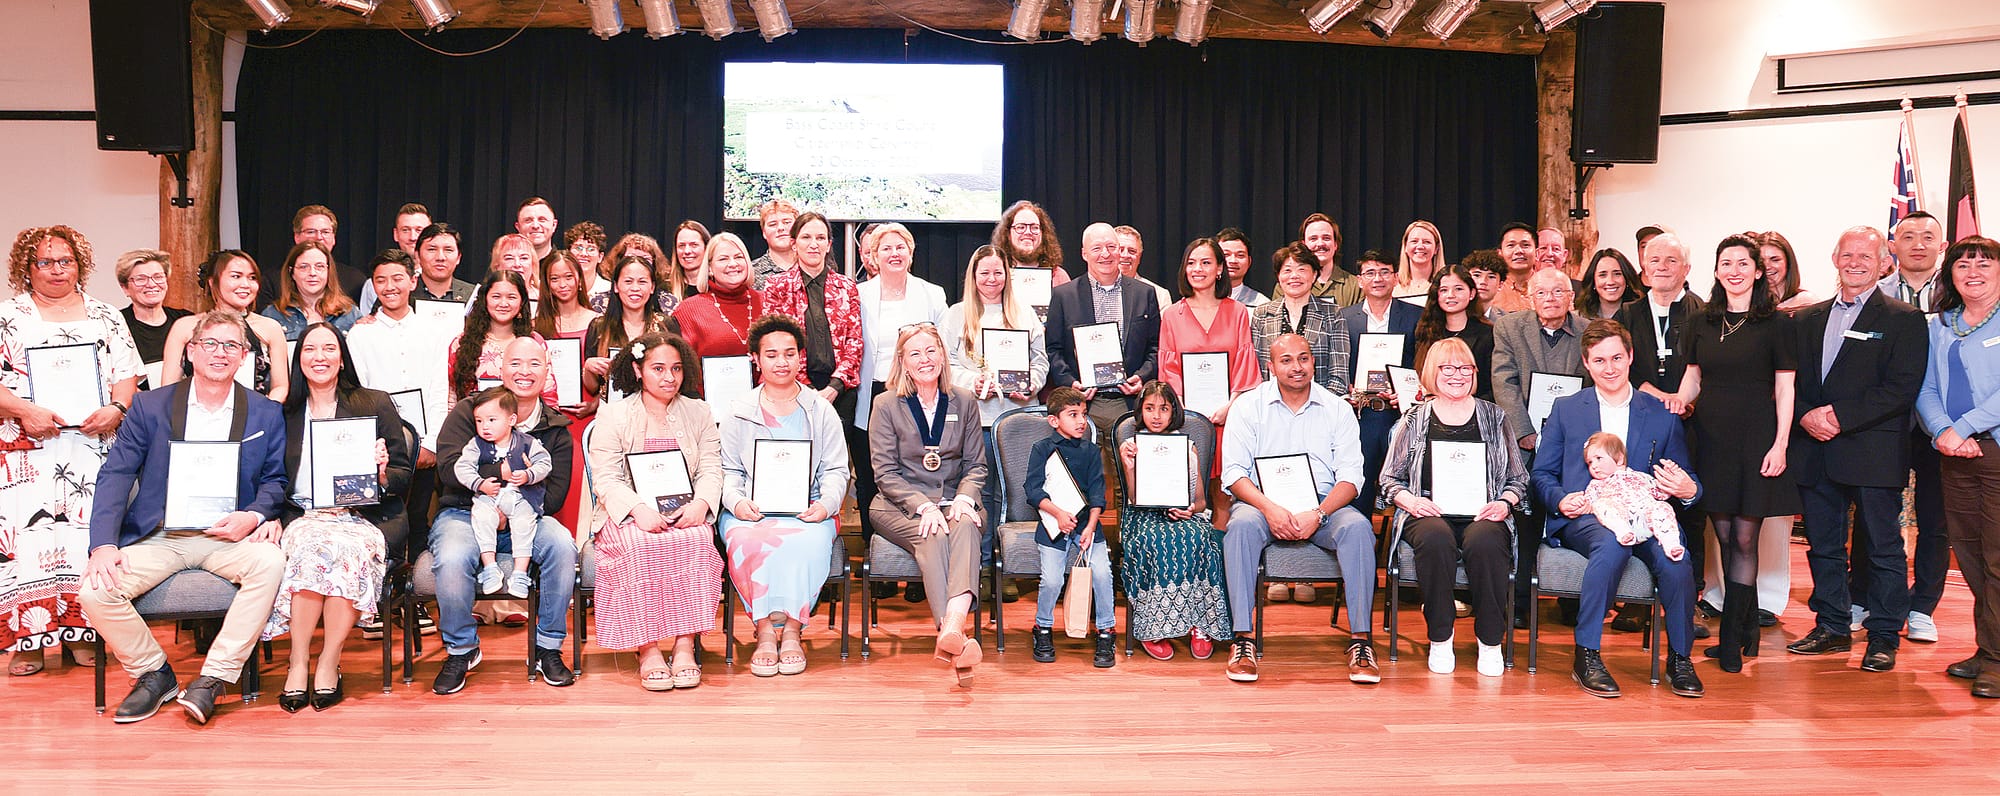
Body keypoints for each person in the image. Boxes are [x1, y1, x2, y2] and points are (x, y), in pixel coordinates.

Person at [77, 311, 288, 724]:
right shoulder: (151, 406)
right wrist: (102, 544)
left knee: (271, 563)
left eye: (231, 345)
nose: (220, 353)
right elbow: (117, 473)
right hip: (160, 535)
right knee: (95, 591)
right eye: (210, 343)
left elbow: (275, 480)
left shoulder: (264, 412)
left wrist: (254, 515)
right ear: (191, 351)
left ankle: (213, 678)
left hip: (228, 536)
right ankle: (154, 674)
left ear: (244, 357)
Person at [1531, 319, 1705, 699]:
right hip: (1588, 514)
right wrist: (1561, 500)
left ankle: (1679, 657)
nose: (1609, 368)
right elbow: (1541, 474)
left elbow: (1686, 474)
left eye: (1616, 358)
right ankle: (1587, 653)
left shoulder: (1659, 413)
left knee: (1676, 559)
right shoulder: (1566, 409)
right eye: (1599, 360)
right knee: (1612, 545)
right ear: (1586, 363)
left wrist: (1689, 489)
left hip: (1644, 512)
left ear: (1630, 357)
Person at [1788, 225, 1928, 670]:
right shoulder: (1808, 318)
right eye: (1847, 255)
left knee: (1883, 549)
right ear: (1834, 258)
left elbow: (1902, 388)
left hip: (1873, 451)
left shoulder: (1903, 319)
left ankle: (1884, 634)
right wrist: (1808, 414)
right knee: (1824, 546)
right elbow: (1794, 381)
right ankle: (1831, 626)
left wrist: (1839, 417)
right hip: (1816, 450)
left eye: (1865, 257)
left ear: (1883, 263)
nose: (1855, 263)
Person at [1, 226, 138, 676]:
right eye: (45, 261)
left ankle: (87, 635)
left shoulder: (105, 316)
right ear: (28, 266)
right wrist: (24, 409)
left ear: (80, 265)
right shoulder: (9, 316)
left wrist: (117, 408)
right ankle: (29, 642)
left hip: (92, 446)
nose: (57, 269)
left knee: (86, 537)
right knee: (30, 539)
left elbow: (127, 374)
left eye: (66, 261)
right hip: (28, 448)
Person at [1670, 234, 1800, 674]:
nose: (1734, 270)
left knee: (1745, 537)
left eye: (1744, 263)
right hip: (1709, 438)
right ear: (1717, 270)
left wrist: (1781, 443)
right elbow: (1693, 378)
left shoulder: (1777, 323)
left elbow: (1786, 387)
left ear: (1758, 271)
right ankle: (1745, 633)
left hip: (1757, 439)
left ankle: (1731, 643)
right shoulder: (1702, 321)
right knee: (1723, 535)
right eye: (1726, 263)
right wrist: (1677, 402)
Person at [262, 322, 408, 712]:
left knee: (345, 549)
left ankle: (328, 662)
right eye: (310, 350)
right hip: (304, 515)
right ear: (299, 359)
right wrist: (271, 515)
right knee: (311, 548)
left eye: (329, 349)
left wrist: (380, 473)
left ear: (342, 359)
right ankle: (297, 661)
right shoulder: (283, 413)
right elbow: (267, 475)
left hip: (362, 517)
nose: (320, 357)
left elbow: (404, 475)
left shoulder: (374, 403)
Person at [1218, 334, 1377, 684]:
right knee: (1240, 526)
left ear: (1313, 362)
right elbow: (1233, 474)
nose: (1296, 367)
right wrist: (1270, 509)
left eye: (1303, 358)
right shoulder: (1249, 406)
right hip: (1261, 504)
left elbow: (1352, 476)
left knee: (1359, 527)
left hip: (1323, 507)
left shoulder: (1337, 408)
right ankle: (1242, 638)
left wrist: (1318, 514)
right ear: (1271, 366)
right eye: (1286, 360)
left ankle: (1361, 641)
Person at [429, 336, 577, 694]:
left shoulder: (556, 428)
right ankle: (461, 649)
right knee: (450, 557)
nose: (524, 372)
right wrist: (492, 493)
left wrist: (509, 509)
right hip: (465, 514)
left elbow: (554, 495)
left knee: (562, 546)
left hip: (527, 517)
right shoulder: (471, 410)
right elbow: (447, 470)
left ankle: (548, 648)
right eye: (515, 363)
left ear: (547, 371)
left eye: (534, 364)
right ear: (500, 367)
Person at [1377, 337, 1524, 677]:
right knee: (1436, 538)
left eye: (1464, 368)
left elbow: (1519, 478)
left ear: (1474, 372)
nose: (1456, 375)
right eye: (1447, 367)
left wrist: (1504, 502)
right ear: (1432, 372)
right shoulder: (1415, 418)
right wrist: (1410, 501)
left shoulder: (1495, 416)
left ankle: (1490, 642)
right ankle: (1441, 638)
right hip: (1426, 510)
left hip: (1483, 511)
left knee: (1486, 540)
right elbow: (1388, 479)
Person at [587, 332, 726, 691]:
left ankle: (683, 645)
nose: (669, 378)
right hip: (630, 515)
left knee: (697, 540)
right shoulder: (614, 414)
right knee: (638, 545)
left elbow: (712, 466)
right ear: (637, 370)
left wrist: (701, 504)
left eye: (676, 369)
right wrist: (637, 509)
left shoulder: (699, 411)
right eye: (659, 368)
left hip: (685, 511)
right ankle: (647, 648)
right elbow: (606, 476)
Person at [719, 316, 848, 679]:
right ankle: (763, 632)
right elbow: (728, 471)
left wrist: (825, 505)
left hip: (808, 507)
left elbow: (837, 470)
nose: (781, 362)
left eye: (789, 353)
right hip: (751, 510)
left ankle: (792, 630)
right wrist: (737, 502)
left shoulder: (820, 409)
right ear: (756, 359)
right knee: (746, 540)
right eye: (771, 354)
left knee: (806, 542)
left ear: (800, 358)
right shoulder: (738, 410)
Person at [867, 324, 988, 686]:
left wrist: (965, 497)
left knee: (966, 524)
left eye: (931, 351)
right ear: (902, 362)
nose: (925, 359)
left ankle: (951, 633)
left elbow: (976, 465)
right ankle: (956, 633)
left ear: (942, 355)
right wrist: (923, 505)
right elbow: (885, 472)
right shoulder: (886, 404)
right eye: (915, 353)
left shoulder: (964, 400)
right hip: (897, 504)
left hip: (954, 498)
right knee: (933, 534)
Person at [345, 248, 450, 638]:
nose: (390, 287)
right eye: (381, 280)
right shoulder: (361, 333)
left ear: (413, 280)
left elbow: (440, 387)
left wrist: (432, 442)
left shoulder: (436, 331)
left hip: (425, 440)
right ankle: (375, 601)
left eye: (397, 278)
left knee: (420, 518)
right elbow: (360, 393)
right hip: (380, 443)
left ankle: (414, 599)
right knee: (380, 518)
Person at [1915, 235, 2000, 697]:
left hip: (1994, 452)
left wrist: (1961, 428)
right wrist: (1943, 432)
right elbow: (1925, 388)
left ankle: (1998, 657)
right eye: (1963, 265)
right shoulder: (1941, 325)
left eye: (1984, 264)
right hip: (1955, 455)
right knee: (1969, 557)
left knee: (1998, 558)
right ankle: (1988, 648)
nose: (1973, 272)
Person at [941, 244, 1046, 600]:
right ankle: (983, 567)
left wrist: (1033, 380)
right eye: (984, 272)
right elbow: (947, 366)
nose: (991, 279)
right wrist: (973, 383)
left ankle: (1011, 566)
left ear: (1007, 275)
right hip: (977, 420)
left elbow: (1041, 361)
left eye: (998, 272)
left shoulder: (1025, 314)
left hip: (1017, 419)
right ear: (973, 276)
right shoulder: (956, 315)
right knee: (980, 495)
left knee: (1015, 494)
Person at [1616, 231, 1708, 623]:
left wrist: (1685, 401)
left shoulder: (1704, 312)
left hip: (1693, 423)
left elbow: (1709, 363)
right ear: (1643, 269)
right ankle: (1638, 602)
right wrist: (1659, 396)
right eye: (1655, 260)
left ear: (1686, 269)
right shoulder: (1627, 314)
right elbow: (1621, 365)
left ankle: (1691, 603)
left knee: (1689, 511)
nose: (1662, 267)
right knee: (1641, 504)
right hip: (1643, 422)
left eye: (1671, 261)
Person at [1491, 268, 1589, 622]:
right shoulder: (1509, 328)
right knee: (1524, 519)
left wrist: (1571, 438)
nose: (1551, 299)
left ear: (1571, 297)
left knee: (1574, 512)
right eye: (1542, 293)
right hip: (1524, 440)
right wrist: (1524, 432)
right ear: (1530, 298)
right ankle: (1518, 602)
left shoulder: (1588, 331)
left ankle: (1573, 599)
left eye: (1559, 292)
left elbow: (1595, 385)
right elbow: (1504, 382)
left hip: (1575, 442)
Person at [853, 224, 949, 577]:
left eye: (901, 247)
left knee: (917, 475)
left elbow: (944, 348)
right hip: (874, 393)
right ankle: (874, 559)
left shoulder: (933, 294)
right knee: (870, 476)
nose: (894, 254)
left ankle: (914, 566)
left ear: (911, 253)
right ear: (873, 257)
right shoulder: (859, 294)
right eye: (885, 249)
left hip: (918, 393)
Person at [1115, 381, 1229, 660]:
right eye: (1150, 408)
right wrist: (1129, 467)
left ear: (1173, 412)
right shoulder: (1131, 446)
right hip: (1143, 515)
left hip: (1183, 514)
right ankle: (1154, 627)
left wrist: (1190, 509)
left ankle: (1200, 624)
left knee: (1200, 537)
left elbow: (1202, 501)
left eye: (1163, 409)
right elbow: (1133, 498)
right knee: (1156, 540)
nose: (1156, 416)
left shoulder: (1187, 446)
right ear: (1140, 411)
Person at [1877, 210, 1950, 644]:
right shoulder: (1876, 293)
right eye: (1908, 236)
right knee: (1875, 515)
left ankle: (1923, 605)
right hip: (1886, 421)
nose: (1918, 244)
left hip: (1941, 425)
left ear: (1942, 246)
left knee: (1935, 520)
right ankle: (1870, 597)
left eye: (1928, 237)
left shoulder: (1959, 291)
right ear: (1893, 246)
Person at [1044, 222, 1163, 467]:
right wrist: (1070, 383)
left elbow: (1156, 347)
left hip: (1128, 402)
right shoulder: (1064, 295)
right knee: (1082, 480)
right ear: (1084, 253)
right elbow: (1053, 349)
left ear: (1120, 250)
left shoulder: (1144, 293)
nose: (1106, 254)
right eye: (1097, 248)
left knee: (1130, 479)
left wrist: (1142, 376)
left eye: (1111, 247)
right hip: (1082, 402)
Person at [1026, 387, 1117, 667]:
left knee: (1102, 574)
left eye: (1084, 415)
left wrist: (1090, 527)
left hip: (1087, 528)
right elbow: (1033, 489)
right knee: (1052, 580)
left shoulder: (1091, 451)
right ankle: (1042, 628)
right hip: (1053, 525)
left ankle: (1105, 630)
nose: (1081, 421)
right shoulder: (1042, 449)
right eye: (1073, 414)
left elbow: (1098, 494)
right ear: (1054, 420)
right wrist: (1058, 514)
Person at [1334, 251, 1420, 525]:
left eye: (1384, 271)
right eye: (1370, 273)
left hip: (1401, 410)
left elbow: (1421, 362)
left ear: (1395, 277)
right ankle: (1357, 532)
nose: (1378, 278)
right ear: (1359, 280)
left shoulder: (1416, 315)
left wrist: (1407, 392)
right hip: (1361, 410)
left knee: (1404, 476)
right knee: (1360, 474)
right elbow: (1340, 360)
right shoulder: (1344, 317)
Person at [764, 212, 864, 438]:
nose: (813, 245)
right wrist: (807, 391)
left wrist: (835, 387)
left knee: (835, 462)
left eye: (820, 238)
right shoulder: (776, 286)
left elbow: (855, 342)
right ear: (794, 243)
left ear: (828, 245)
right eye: (806, 237)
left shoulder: (846, 287)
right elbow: (774, 343)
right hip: (792, 388)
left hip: (840, 391)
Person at [457, 388, 552, 600]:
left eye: (491, 419)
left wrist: (529, 475)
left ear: (511, 420)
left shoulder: (526, 442)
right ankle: (490, 568)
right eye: (479, 421)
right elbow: (461, 468)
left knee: (524, 523)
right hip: (489, 497)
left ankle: (520, 573)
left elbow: (545, 463)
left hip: (520, 497)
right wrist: (480, 484)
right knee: (481, 517)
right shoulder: (476, 444)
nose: (485, 427)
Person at [160, 250, 290, 402]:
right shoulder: (184, 327)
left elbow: (280, 387)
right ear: (212, 281)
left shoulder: (270, 328)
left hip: (255, 416)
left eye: (252, 278)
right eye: (236, 276)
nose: (245, 284)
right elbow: (168, 388)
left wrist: (264, 412)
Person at [1159, 237, 1260, 429]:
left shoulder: (1238, 311)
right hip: (1185, 420)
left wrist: (1231, 407)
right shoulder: (1172, 315)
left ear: (1220, 268)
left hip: (1232, 420)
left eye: (1205, 263)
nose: (1197, 269)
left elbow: (1245, 366)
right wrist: (1183, 409)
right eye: (1191, 263)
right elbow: (1168, 370)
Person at [533, 250, 600, 534]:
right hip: (547, 421)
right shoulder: (537, 327)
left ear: (579, 280)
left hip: (584, 418)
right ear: (546, 284)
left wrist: (595, 403)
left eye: (568, 277)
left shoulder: (598, 321)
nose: (562, 284)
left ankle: (580, 550)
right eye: (554, 279)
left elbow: (607, 376)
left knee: (579, 483)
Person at [1251, 241, 1350, 396]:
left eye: (1302, 270)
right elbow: (1256, 370)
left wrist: (1320, 405)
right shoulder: (1262, 314)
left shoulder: (1333, 313)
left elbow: (1339, 374)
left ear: (1314, 275)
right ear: (1279, 276)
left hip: (1321, 407)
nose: (1294, 276)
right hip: (1271, 407)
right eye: (1287, 270)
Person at [582, 255, 671, 404]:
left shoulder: (666, 325)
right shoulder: (599, 327)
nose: (635, 288)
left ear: (652, 287)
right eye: (628, 281)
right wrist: (589, 367)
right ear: (616, 286)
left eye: (642, 282)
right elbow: (593, 388)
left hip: (658, 411)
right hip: (612, 416)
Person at [1581, 433, 1686, 557]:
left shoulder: (1639, 476)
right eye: (1589, 463)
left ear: (1619, 459)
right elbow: (1588, 502)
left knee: (1662, 507)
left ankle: (1671, 544)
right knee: (1600, 504)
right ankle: (1623, 531)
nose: (1594, 466)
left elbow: (1661, 493)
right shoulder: (1596, 485)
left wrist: (1669, 475)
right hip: (1622, 520)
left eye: (1599, 458)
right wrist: (1581, 503)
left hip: (1648, 521)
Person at [446, 270, 541, 403]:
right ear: (485, 299)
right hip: (474, 421)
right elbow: (451, 396)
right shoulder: (461, 343)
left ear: (522, 302)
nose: (503, 303)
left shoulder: (535, 342)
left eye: (511, 297)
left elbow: (548, 393)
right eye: (496, 296)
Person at [674, 232, 764, 362]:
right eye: (723, 259)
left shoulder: (768, 302)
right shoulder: (688, 310)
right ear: (709, 268)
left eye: (739, 257)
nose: (733, 264)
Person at [1413, 264, 1495, 402]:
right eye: (1444, 290)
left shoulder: (1488, 334)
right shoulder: (1425, 332)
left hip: (1473, 411)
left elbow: (1493, 388)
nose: (1450, 295)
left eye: (1458, 289)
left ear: (1472, 294)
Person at [114, 249, 190, 389]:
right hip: (139, 407)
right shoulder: (115, 325)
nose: (151, 284)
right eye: (141, 279)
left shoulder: (186, 320)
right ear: (125, 288)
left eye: (158, 277)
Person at [261, 241, 363, 341]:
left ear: (329, 271)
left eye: (319, 266)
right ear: (292, 273)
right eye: (304, 267)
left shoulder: (350, 314)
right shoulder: (272, 315)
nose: (312, 273)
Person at [269, 205, 367, 308]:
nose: (319, 237)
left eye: (325, 232)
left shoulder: (356, 280)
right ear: (296, 237)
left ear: (333, 238)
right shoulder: (271, 281)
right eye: (311, 232)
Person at [595, 233, 683, 316]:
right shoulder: (599, 303)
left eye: (645, 259)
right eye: (631, 258)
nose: (637, 263)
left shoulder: (669, 303)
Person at [994, 200, 1070, 285]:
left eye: (1034, 227)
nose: (1028, 232)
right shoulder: (996, 275)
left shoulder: (1058, 276)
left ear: (1043, 233)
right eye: (1021, 227)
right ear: (1008, 234)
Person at [1301, 213, 1360, 305]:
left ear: (1335, 244)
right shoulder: (1288, 284)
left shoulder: (1356, 286)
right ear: (1304, 245)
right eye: (1313, 239)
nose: (1320, 244)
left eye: (1326, 238)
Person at [414, 223, 478, 303]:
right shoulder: (405, 293)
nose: (440, 257)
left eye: (448, 250)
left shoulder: (474, 296)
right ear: (417, 255)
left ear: (458, 257)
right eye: (432, 249)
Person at [1758, 231, 1819, 313]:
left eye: (1775, 260)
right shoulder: (1748, 304)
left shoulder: (1807, 302)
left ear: (1788, 262)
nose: (1767, 266)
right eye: (1761, 261)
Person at [1115, 225, 1172, 310]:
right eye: (1120, 249)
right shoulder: (1094, 291)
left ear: (1140, 256)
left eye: (1132, 251)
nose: (1125, 255)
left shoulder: (1159, 295)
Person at [748, 198, 800, 290]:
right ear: (764, 232)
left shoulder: (813, 269)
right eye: (773, 224)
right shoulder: (750, 273)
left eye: (787, 222)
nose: (780, 228)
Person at [1577, 248, 1641, 320]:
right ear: (1593, 281)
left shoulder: (1642, 316)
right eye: (1602, 275)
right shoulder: (1579, 319)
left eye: (1617, 274)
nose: (1610, 281)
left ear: (1627, 278)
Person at [1490, 222, 1537, 314]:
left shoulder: (1548, 286)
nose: (1519, 251)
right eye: (1511, 245)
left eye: (1525, 245)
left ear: (1537, 252)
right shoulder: (1491, 289)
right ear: (1500, 253)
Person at [1216, 227, 1267, 307]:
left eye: (1240, 255)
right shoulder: (1197, 300)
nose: (1233, 260)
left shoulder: (1261, 304)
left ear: (1249, 262)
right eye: (1226, 255)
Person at [490, 234, 542, 308]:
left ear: (533, 264)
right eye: (509, 258)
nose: (517, 264)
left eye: (524, 258)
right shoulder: (485, 296)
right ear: (497, 265)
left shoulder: (546, 296)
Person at [1398, 220, 1444, 298]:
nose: (1420, 246)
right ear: (1405, 246)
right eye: (1414, 241)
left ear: (1436, 248)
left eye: (1426, 242)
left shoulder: (1446, 285)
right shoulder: (1392, 285)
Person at [1462, 249, 1509, 321]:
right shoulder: (1452, 315)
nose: (1483, 281)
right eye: (1477, 275)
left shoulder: (1507, 321)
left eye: (1491, 277)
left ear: (1500, 285)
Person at [564, 221, 607, 299]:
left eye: (591, 249)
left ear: (600, 257)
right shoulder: (559, 288)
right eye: (578, 248)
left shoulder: (609, 291)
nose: (584, 254)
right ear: (568, 253)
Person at [515, 197, 559, 267]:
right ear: (518, 227)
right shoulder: (506, 269)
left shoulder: (566, 267)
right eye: (528, 220)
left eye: (542, 220)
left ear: (554, 225)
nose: (535, 226)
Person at [669, 220, 710, 294]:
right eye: (682, 245)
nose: (687, 251)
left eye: (694, 245)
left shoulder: (718, 287)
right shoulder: (665, 290)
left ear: (706, 247)